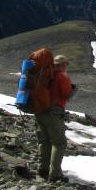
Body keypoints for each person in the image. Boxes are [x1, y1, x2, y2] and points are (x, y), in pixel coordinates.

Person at [35, 54, 74, 182]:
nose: (67, 67)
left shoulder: (45, 74)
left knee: (45, 141)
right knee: (59, 143)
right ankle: (55, 174)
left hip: (40, 111)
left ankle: (43, 169)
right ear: (63, 65)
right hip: (54, 113)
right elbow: (66, 94)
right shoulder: (62, 76)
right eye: (66, 64)